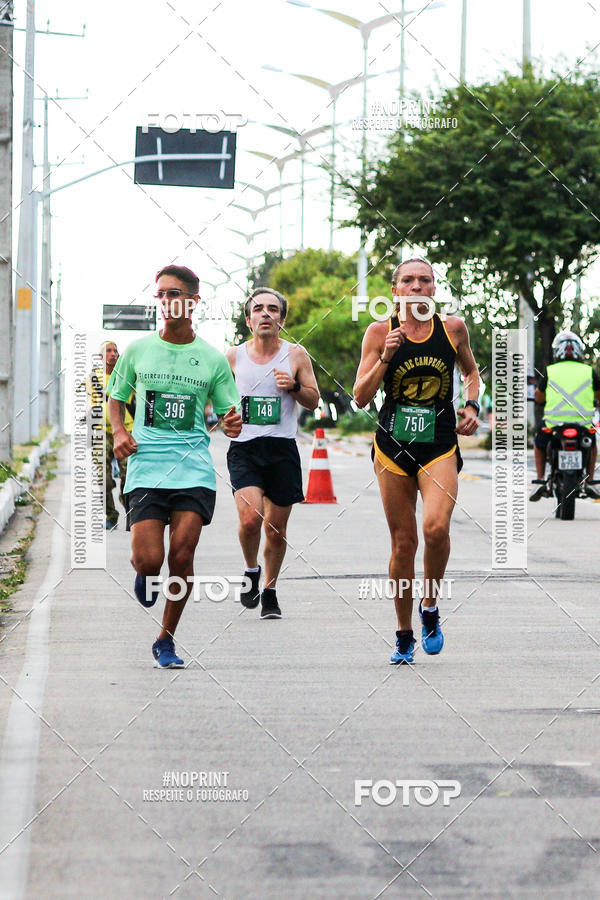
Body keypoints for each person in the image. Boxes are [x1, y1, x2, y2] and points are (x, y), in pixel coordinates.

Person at [107, 265, 242, 668]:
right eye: (161, 294)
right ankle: (145, 573)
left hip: (193, 469)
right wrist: (119, 432)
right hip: (147, 467)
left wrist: (232, 423)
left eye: (174, 293)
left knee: (182, 556)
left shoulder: (212, 359)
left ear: (194, 301)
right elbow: (116, 398)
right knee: (149, 560)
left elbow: (229, 413)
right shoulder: (138, 350)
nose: (166, 301)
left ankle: (166, 639)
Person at [353, 258, 480, 665]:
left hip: (439, 443)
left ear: (434, 288)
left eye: (424, 280)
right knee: (404, 542)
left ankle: (430, 607)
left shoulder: (452, 329)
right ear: (395, 290)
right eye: (407, 280)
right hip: (392, 446)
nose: (416, 287)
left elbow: (471, 373)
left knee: (436, 527)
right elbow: (360, 396)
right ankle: (403, 634)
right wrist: (385, 357)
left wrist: (472, 405)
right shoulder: (379, 332)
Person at [225, 287, 320, 619]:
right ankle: (252, 569)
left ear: (282, 319)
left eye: (273, 309)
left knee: (275, 530)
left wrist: (294, 387)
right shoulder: (233, 357)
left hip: (282, 449)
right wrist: (225, 419)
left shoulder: (296, 355)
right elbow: (216, 401)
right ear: (248, 320)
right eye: (258, 309)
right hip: (245, 448)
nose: (265, 313)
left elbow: (313, 400)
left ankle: (270, 589)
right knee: (251, 519)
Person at [530, 330, 600, 501]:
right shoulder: (589, 371)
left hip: (553, 424)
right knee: (592, 445)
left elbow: (539, 397)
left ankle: (540, 479)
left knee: (539, 444)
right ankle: (590, 480)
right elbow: (599, 395)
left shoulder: (550, 371)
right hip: (583, 425)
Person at [87, 341, 135, 530]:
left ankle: (131, 514)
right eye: (108, 351)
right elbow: (94, 403)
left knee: (128, 477)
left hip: (125, 431)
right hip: (101, 432)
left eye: (115, 351)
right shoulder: (94, 378)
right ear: (100, 357)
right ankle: (110, 515)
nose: (113, 354)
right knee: (102, 479)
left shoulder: (126, 377)